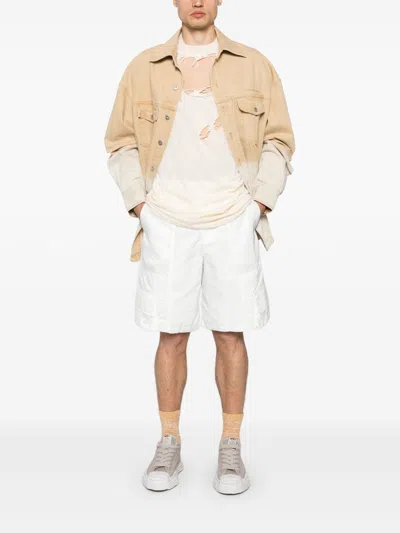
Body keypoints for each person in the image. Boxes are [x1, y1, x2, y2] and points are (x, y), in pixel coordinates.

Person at [104, 0, 295, 495]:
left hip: (232, 218)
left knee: (231, 333)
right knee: (170, 335)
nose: (196, 2)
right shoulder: (142, 67)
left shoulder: (255, 65)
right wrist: (141, 206)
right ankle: (169, 441)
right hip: (166, 219)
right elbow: (121, 142)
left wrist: (258, 206)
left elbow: (279, 140)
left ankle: (230, 446)